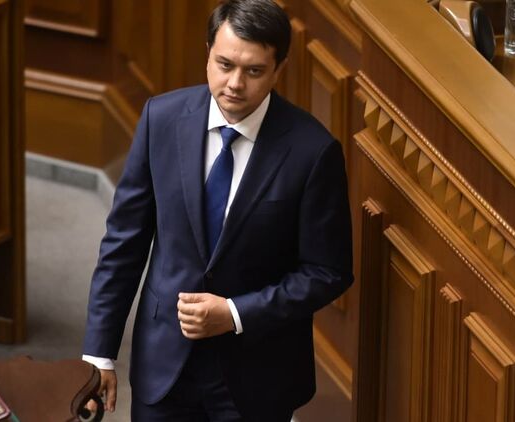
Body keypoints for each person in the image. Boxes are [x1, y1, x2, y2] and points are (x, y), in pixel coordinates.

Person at [82, 0, 353, 420]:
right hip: (163, 364)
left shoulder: (313, 152)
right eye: (224, 65)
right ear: (208, 52)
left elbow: (327, 272)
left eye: (254, 71)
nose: (235, 84)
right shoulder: (160, 118)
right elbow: (124, 242)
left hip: (257, 377)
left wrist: (234, 314)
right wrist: (99, 354)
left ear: (279, 69)